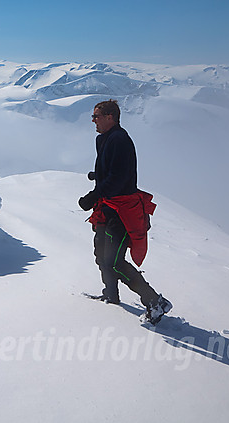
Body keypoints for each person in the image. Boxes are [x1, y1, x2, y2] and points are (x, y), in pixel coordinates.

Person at [78, 99, 172, 324]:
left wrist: (92, 196)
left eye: (97, 116)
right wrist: (97, 177)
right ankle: (110, 294)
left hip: (121, 211)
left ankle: (155, 301)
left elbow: (118, 179)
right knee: (101, 253)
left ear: (111, 117)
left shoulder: (119, 140)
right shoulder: (107, 139)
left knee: (114, 260)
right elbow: (114, 172)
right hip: (109, 208)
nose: (93, 121)